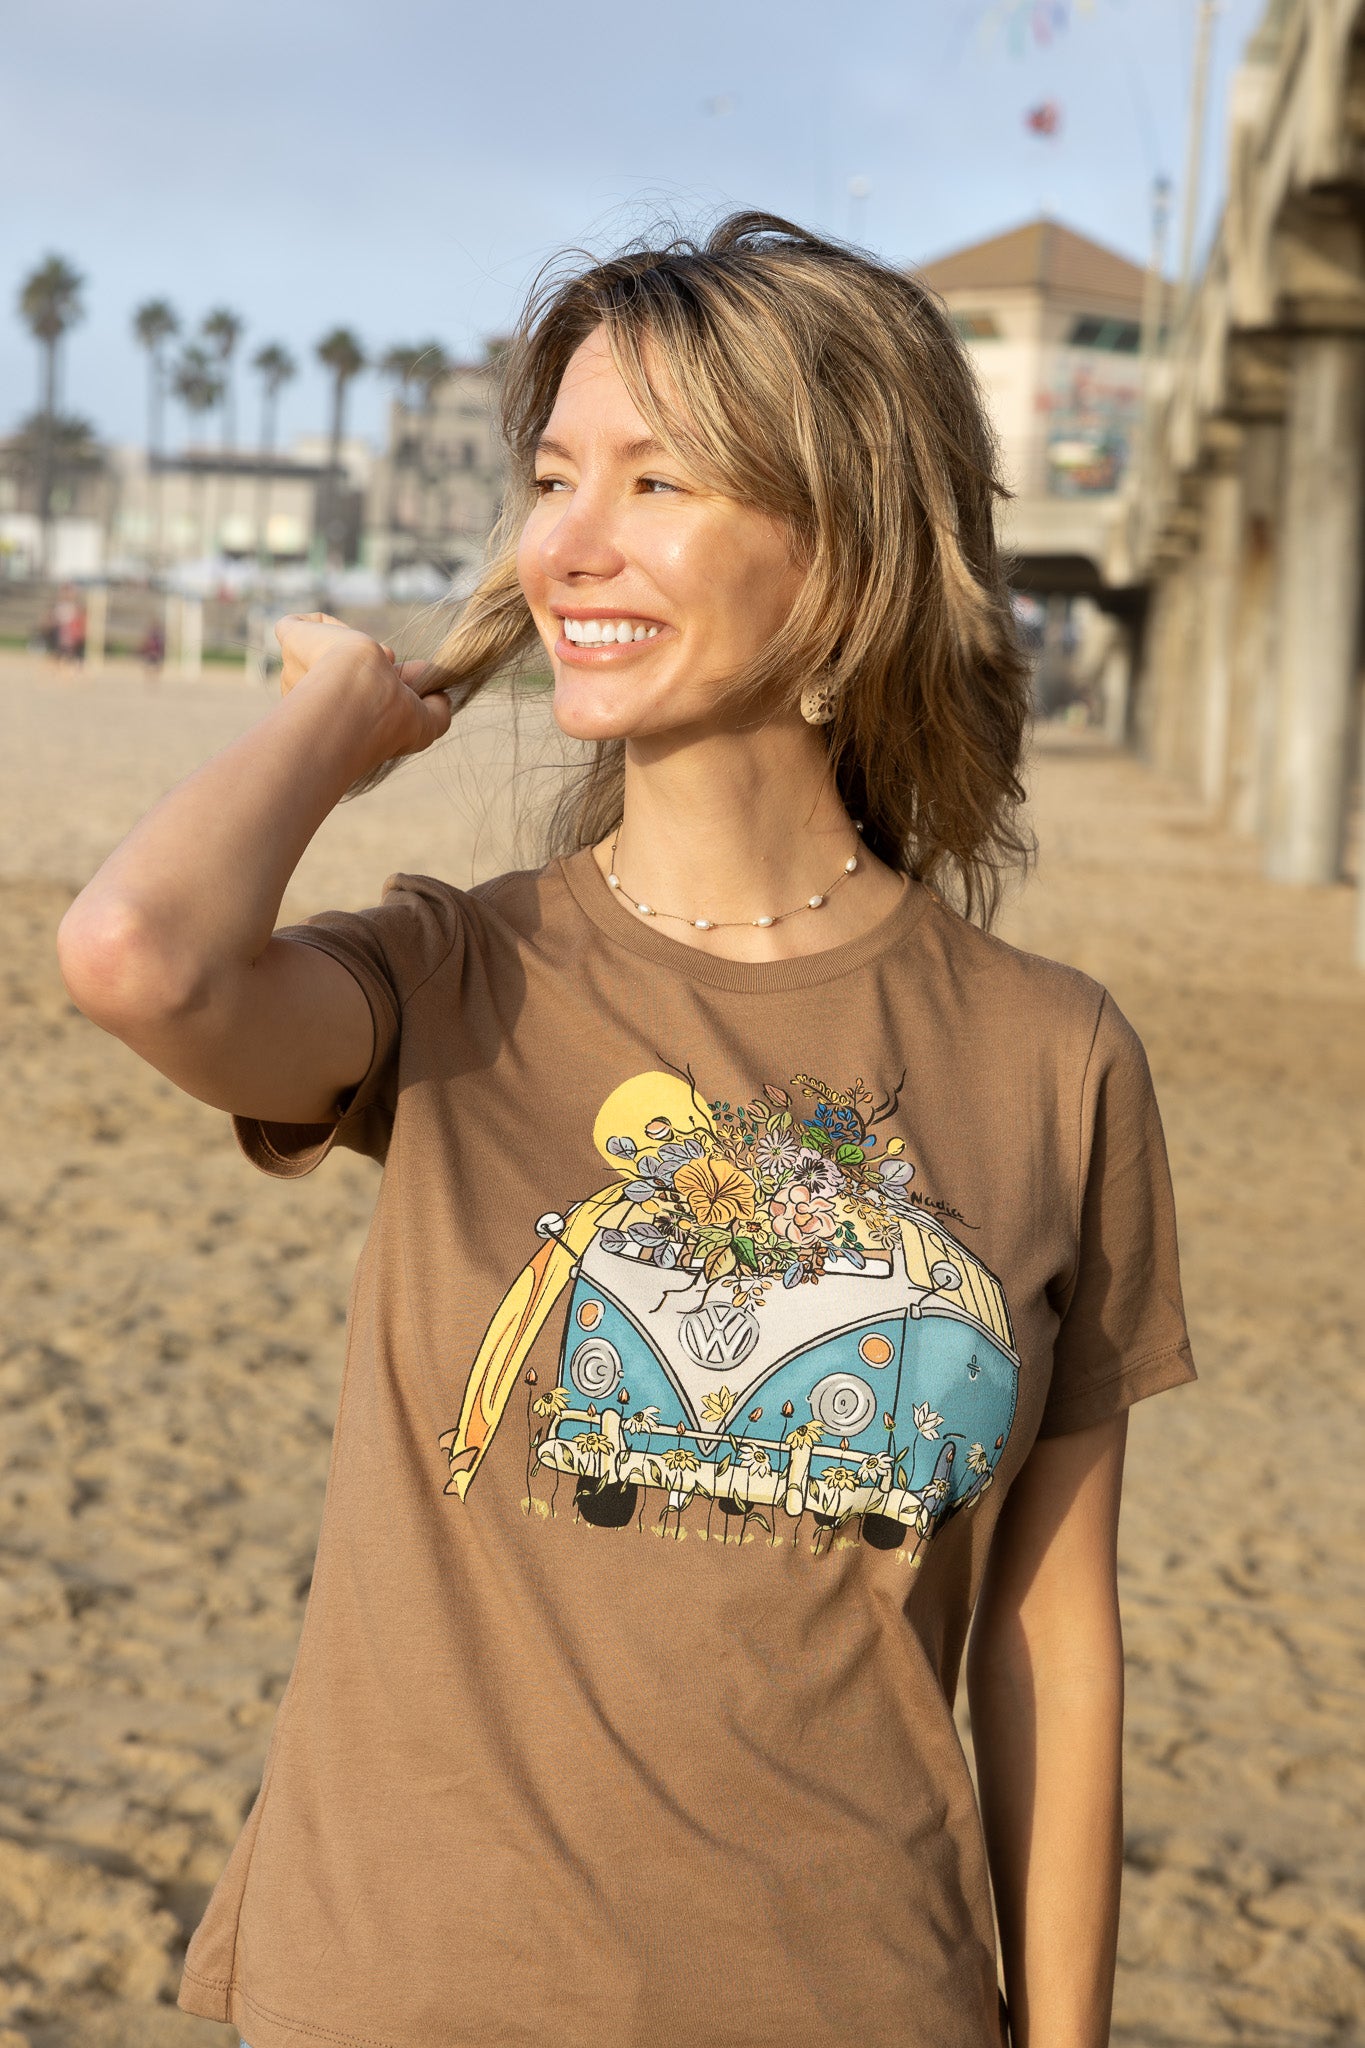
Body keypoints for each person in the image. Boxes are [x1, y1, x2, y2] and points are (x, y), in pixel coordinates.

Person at [57, 214, 1195, 2048]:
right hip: (400, 1996)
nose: (569, 541)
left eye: (657, 480)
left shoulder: (1049, 1057)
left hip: (852, 2001)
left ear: (845, 552)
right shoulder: (459, 977)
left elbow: (1050, 1643)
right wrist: (339, 721)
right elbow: (136, 958)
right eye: (552, 478)